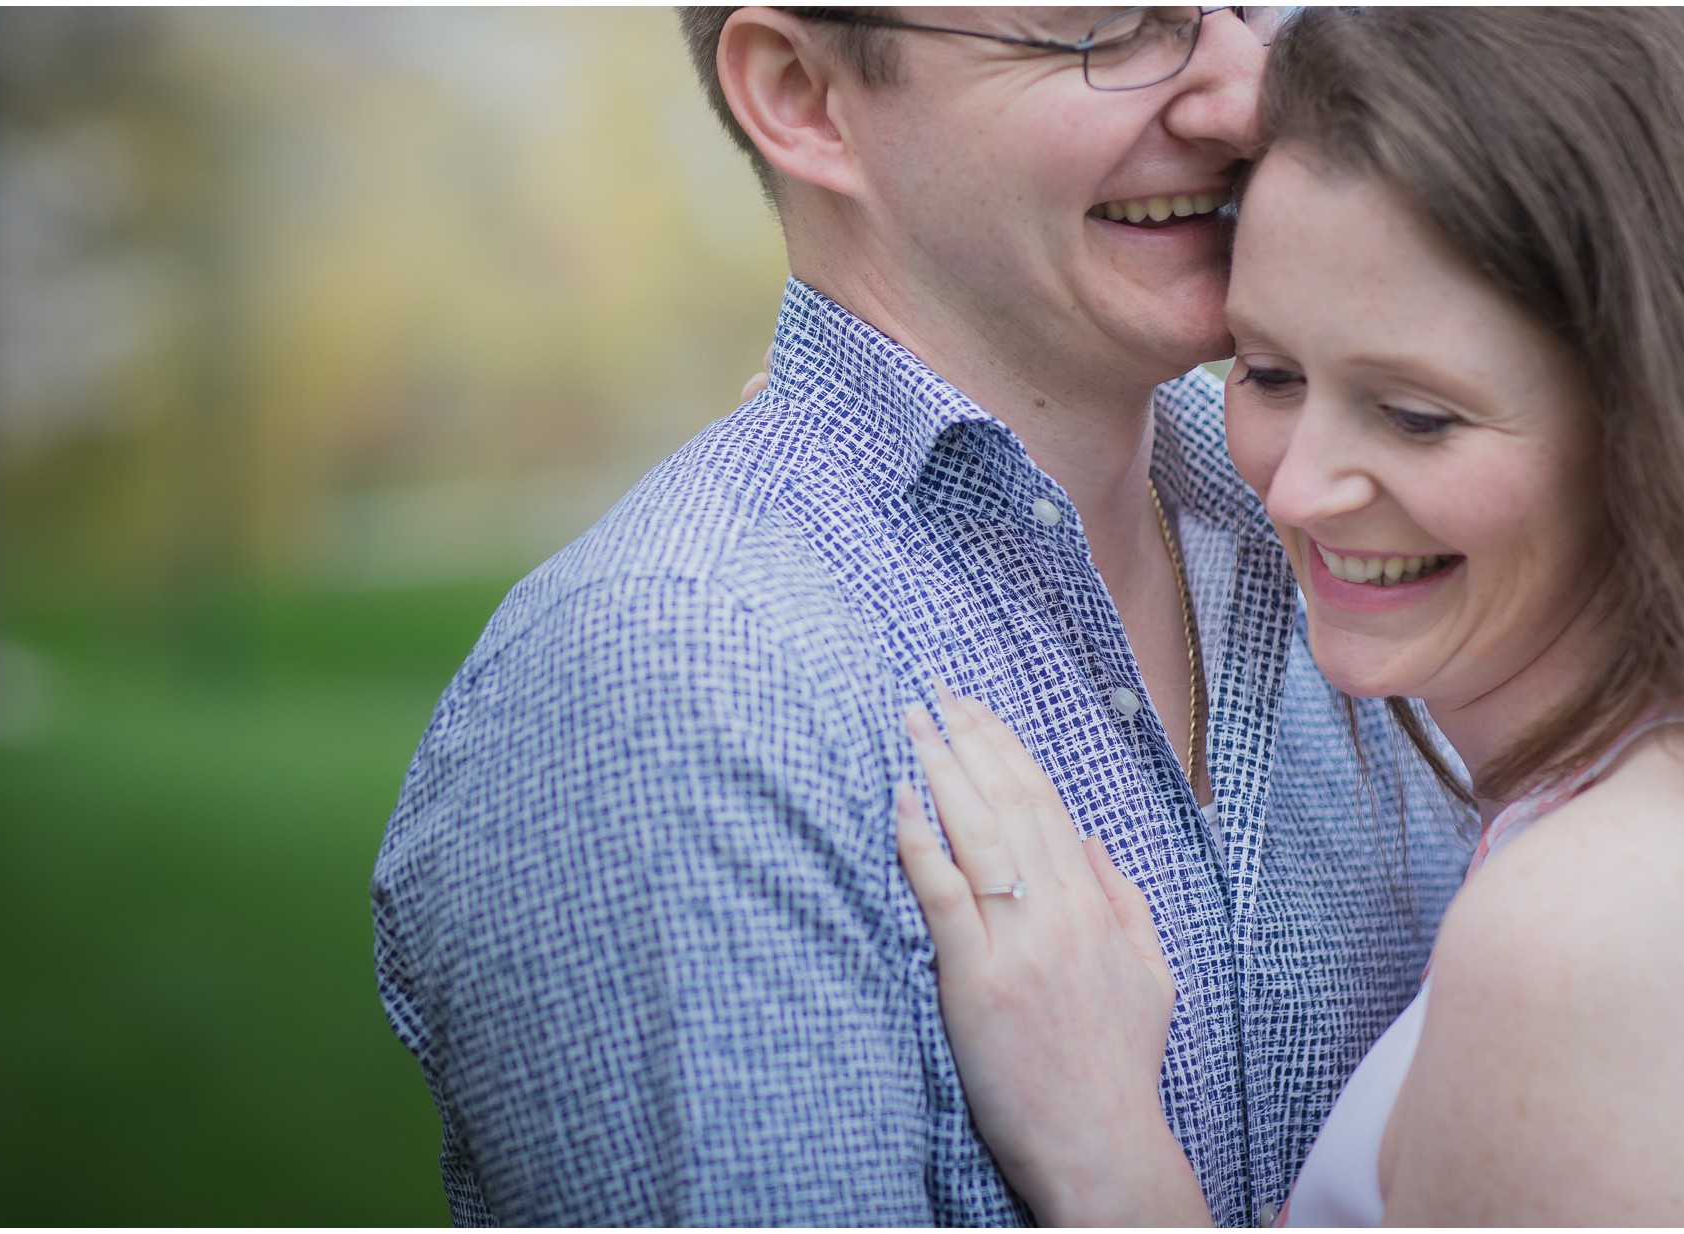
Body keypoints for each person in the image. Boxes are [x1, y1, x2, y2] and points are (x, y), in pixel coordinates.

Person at [370, 8, 1471, 1225]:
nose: (1244, 93)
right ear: (803, 94)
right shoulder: (689, 681)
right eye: (1111, 23)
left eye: (1242, 3)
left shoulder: (1378, 533)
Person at [899, 7, 1684, 1226]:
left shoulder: (1588, 936)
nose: (1297, 488)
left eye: (1417, 415)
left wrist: (1103, 1147)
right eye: (1267, 374)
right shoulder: (1638, 798)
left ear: (1653, 418)